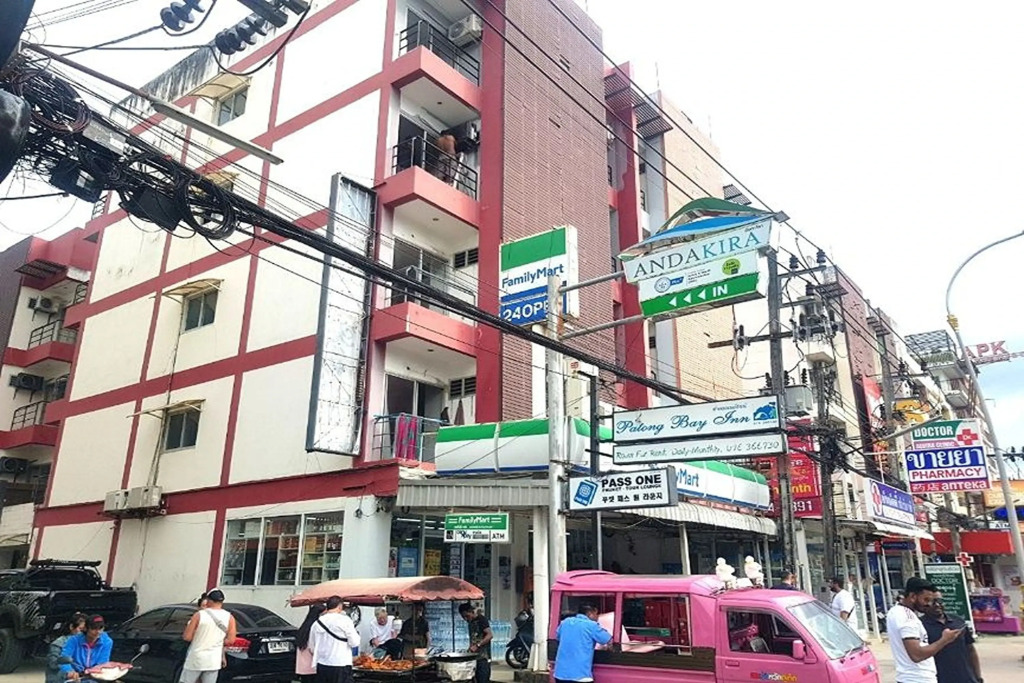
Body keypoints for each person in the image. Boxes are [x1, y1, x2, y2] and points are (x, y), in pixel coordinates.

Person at [886, 577, 964, 683]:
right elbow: (916, 655)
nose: (929, 604)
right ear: (913, 596)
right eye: (926, 599)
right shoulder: (908, 618)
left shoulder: (895, 611)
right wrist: (945, 640)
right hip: (917, 679)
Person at [921, 594, 982, 683]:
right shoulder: (920, 625)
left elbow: (971, 650)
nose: (937, 605)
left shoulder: (958, 621)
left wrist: (978, 677)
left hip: (966, 678)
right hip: (938, 678)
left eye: (939, 601)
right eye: (932, 602)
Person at [182, 588, 237, 683]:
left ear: (209, 600)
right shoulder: (230, 617)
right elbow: (231, 640)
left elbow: (187, 637)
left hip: (196, 659)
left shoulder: (199, 615)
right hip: (214, 661)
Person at [553, 604, 611, 683]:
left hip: (560, 674)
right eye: (596, 614)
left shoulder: (565, 622)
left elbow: (558, 637)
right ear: (590, 613)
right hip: (580, 675)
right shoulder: (591, 626)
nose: (597, 618)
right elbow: (608, 640)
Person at [310, 596, 361, 683]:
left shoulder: (316, 623)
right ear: (340, 607)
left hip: (322, 664)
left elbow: (311, 647)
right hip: (340, 663)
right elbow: (354, 642)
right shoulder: (345, 621)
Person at [60, 615, 113, 681]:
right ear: (85, 628)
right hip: (75, 676)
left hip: (95, 677)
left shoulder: (107, 642)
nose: (98, 632)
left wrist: (94, 673)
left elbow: (103, 662)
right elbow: (64, 658)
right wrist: (69, 671)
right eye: (94, 628)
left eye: (101, 628)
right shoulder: (73, 640)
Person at [47, 613, 86, 683]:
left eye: (85, 631)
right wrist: (68, 673)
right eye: (81, 629)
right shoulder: (58, 644)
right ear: (71, 627)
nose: (83, 633)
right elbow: (53, 664)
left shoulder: (87, 644)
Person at [459, 603, 492, 683]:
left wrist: (478, 645)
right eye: (463, 617)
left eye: (467, 616)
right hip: (474, 658)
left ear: (471, 611)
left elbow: (489, 635)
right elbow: (474, 638)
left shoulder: (481, 620)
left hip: (483, 658)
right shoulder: (470, 623)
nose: (466, 619)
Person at [296, 603, 326, 683]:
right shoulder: (315, 628)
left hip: (303, 667)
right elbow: (313, 648)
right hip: (313, 666)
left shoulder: (304, 627)